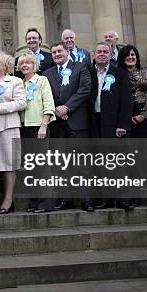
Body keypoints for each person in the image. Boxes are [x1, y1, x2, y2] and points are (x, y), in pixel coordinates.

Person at [42, 42, 92, 211]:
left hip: (77, 122)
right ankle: (66, 199)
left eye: (59, 51)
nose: (56, 54)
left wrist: (67, 107)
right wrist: (57, 109)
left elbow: (85, 90)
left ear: (67, 51)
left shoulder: (81, 67)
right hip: (57, 125)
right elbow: (46, 94)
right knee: (61, 165)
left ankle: (86, 200)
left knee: (81, 164)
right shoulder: (47, 73)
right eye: (54, 52)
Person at [89, 41, 132, 210]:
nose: (101, 54)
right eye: (98, 51)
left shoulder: (119, 74)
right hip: (95, 122)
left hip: (114, 124)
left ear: (110, 54)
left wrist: (123, 124)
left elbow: (126, 101)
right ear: (94, 54)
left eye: (105, 52)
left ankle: (122, 199)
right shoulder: (89, 73)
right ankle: (105, 198)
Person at [117, 44, 147, 206]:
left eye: (133, 55)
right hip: (125, 120)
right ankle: (133, 196)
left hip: (146, 120)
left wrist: (142, 116)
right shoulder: (118, 75)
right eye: (127, 55)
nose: (131, 57)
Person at [0, 51, 27, 214]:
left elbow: (22, 102)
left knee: (9, 165)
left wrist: (1, 109)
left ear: (6, 65)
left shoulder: (15, 81)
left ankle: (9, 200)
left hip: (8, 126)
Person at [17, 53, 56, 213]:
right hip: (24, 127)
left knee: (42, 167)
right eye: (22, 63)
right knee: (30, 167)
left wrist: (43, 125)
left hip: (39, 127)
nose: (25, 65)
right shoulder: (20, 83)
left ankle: (46, 203)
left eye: (28, 63)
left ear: (35, 65)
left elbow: (48, 103)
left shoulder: (42, 80)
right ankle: (35, 201)